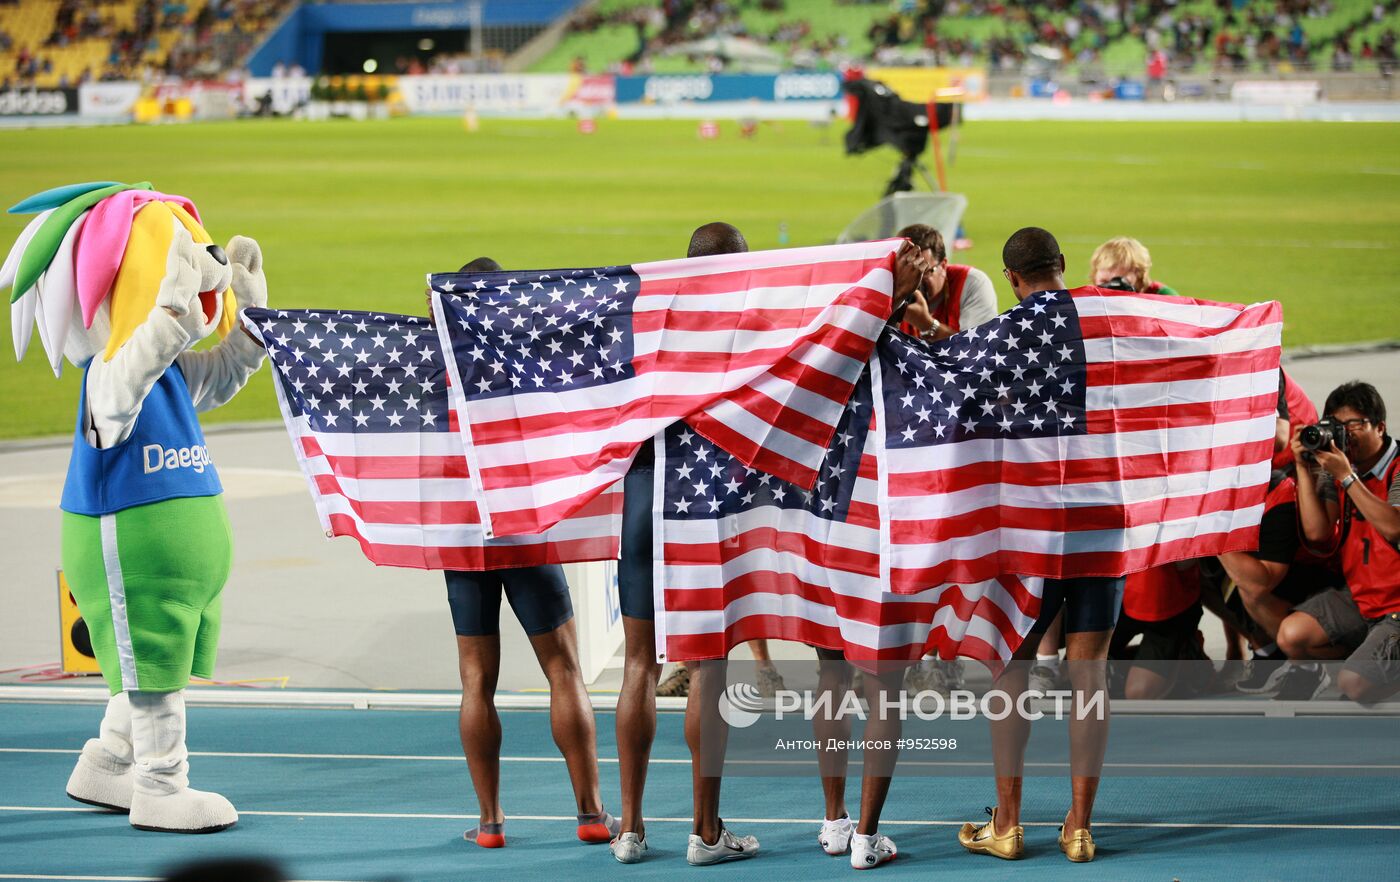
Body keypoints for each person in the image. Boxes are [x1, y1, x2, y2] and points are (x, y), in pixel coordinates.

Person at [440, 257, 618, 850]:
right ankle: (591, 814)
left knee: (475, 679)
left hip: (465, 533)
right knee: (563, 668)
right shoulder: (527, 356)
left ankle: (490, 823)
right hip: (523, 523)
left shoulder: (437, 362)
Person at [958, 227, 1122, 864]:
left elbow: (953, 395)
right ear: (1063, 264)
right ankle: (1080, 827)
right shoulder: (1108, 321)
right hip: (1102, 516)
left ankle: (1008, 824)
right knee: (1090, 674)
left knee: (1013, 670)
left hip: (1031, 523)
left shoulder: (999, 336)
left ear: (1011, 279)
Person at [1275, 381, 1400, 703]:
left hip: (1397, 605)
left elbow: (1394, 528)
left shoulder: (1395, 467)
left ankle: (1370, 671)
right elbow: (1318, 533)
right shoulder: (1340, 466)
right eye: (1336, 425)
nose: (1345, 434)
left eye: (1353, 424)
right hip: (1362, 600)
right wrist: (1303, 468)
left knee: (1354, 686)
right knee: (1291, 635)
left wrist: (1347, 477)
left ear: (1380, 427)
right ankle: (1370, 661)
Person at [1217, 471, 1336, 694]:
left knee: (1251, 585)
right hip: (1266, 504)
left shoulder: (1282, 489)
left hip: (1319, 574)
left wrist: (1210, 531)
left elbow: (1262, 582)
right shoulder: (1215, 488)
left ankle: (1305, 663)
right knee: (1197, 575)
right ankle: (1267, 650)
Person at [895, 223, 997, 342]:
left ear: (943, 266)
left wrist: (927, 324)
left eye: (924, 272)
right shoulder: (886, 287)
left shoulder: (971, 283)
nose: (913, 281)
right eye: (905, 272)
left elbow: (979, 346)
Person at [1088, 236, 1177, 296]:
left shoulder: (1164, 297)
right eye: (1104, 281)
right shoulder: (1089, 298)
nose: (1111, 287)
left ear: (1139, 274)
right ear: (1095, 276)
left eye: (1119, 281)